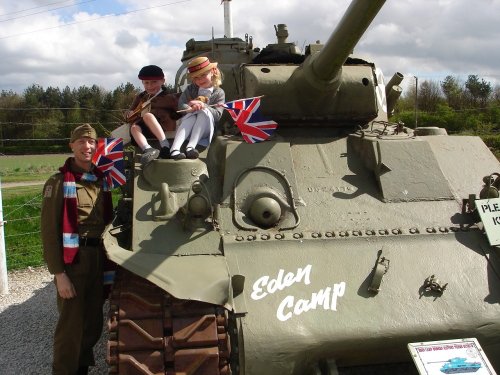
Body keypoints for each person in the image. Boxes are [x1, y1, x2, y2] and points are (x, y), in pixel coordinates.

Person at [41, 124, 113, 375]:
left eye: (91, 142)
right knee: (70, 324)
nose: (87, 147)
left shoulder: (99, 180)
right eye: (81, 142)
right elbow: (49, 234)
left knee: (93, 321)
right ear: (72, 145)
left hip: (98, 257)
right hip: (73, 260)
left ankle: (81, 368)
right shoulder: (59, 182)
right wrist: (59, 274)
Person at [170, 56, 225, 159]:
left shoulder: (219, 93)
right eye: (196, 77)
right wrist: (190, 107)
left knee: (204, 113)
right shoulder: (191, 89)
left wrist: (204, 106)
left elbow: (218, 115)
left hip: (206, 129)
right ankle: (174, 149)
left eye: (203, 75)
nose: (200, 80)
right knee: (191, 117)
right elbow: (181, 105)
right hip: (188, 127)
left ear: (213, 71)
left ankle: (191, 147)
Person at [128, 65, 180, 166]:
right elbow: (130, 110)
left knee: (148, 116)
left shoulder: (170, 97)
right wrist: (129, 114)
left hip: (163, 124)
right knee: (134, 128)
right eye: (146, 83)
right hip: (146, 127)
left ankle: (165, 146)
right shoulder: (141, 97)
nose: (150, 86)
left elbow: (180, 110)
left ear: (162, 81)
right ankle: (147, 149)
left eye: (154, 82)